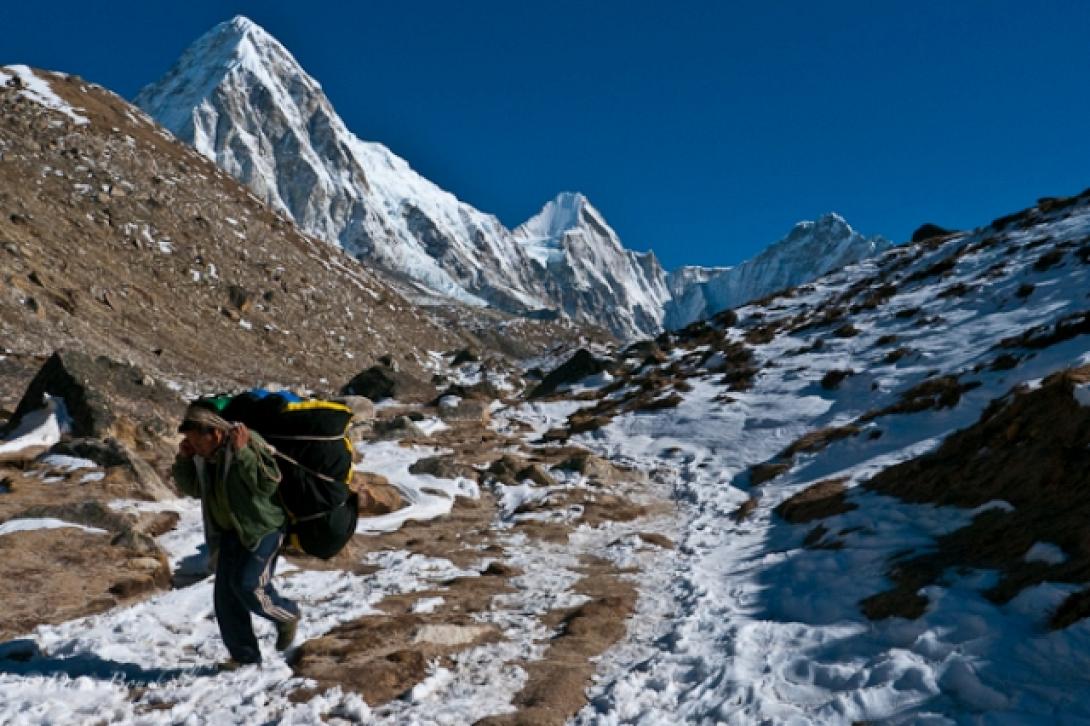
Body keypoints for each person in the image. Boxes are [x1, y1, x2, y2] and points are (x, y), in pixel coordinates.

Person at [172, 401, 300, 668]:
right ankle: (244, 658)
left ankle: (287, 615)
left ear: (215, 434)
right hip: (229, 533)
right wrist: (184, 461)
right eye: (190, 443)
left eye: (197, 442)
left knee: (248, 586)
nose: (194, 447)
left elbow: (267, 484)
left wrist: (243, 454)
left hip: (262, 529)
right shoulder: (203, 458)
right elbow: (195, 489)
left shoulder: (248, 443)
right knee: (226, 600)